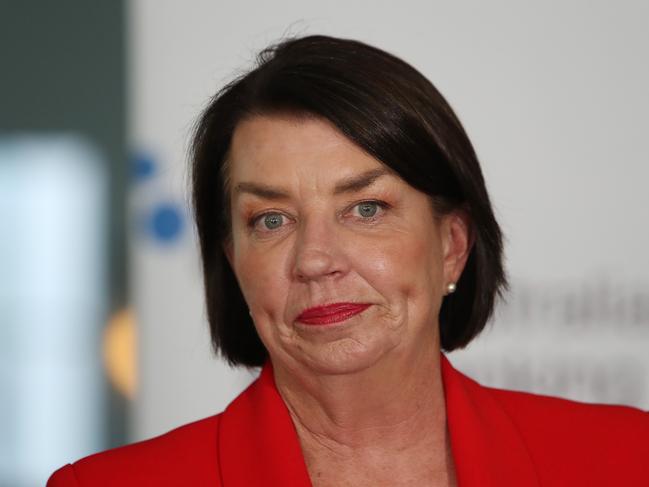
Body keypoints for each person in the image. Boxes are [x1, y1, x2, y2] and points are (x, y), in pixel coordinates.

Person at [48, 35, 648, 487]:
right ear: (232, 262)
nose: (315, 260)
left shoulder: (626, 459)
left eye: (365, 209)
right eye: (272, 220)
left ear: (452, 245)